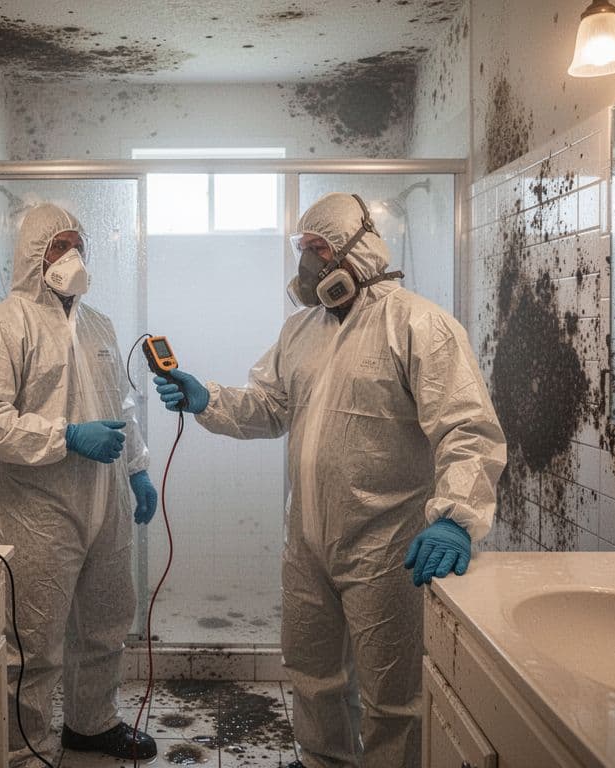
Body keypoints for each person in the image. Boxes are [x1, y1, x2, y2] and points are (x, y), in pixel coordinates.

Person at [153, 193, 506, 768]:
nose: (307, 262)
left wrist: (456, 517)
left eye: (317, 247)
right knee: (312, 675)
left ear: (356, 250)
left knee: (394, 696)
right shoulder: (301, 330)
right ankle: (323, 761)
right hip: (308, 541)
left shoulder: (418, 324)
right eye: (303, 248)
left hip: (387, 546)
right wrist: (207, 399)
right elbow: (271, 407)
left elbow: (467, 429)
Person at [0, 203, 159, 765]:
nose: (72, 256)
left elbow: (122, 405)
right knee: (34, 636)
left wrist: (138, 468)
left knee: (106, 621)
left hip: (106, 499)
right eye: (59, 246)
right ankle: (26, 749)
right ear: (32, 256)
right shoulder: (2, 327)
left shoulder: (98, 325)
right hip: (38, 507)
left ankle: (92, 724)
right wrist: (65, 435)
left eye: (78, 246)